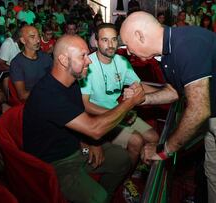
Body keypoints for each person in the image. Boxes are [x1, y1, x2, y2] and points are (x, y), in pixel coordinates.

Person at [120, 11, 216, 203]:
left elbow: (198, 109)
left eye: (127, 44)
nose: (128, 51)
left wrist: (164, 149)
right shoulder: (167, 51)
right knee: (212, 175)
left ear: (139, 35)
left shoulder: (187, 44)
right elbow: (176, 90)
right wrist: (143, 99)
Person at [23, 34, 145, 202]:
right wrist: (129, 102)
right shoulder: (47, 94)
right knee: (98, 198)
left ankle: (106, 193)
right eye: (83, 56)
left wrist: (90, 143)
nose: (89, 61)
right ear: (64, 60)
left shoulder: (71, 83)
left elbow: (81, 119)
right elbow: (94, 129)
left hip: (78, 149)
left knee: (122, 159)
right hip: (55, 164)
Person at [80, 23, 159, 165]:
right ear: (96, 42)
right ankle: (126, 178)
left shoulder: (121, 61)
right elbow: (86, 105)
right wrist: (120, 114)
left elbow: (139, 85)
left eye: (114, 39)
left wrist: (167, 94)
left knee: (153, 137)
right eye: (105, 40)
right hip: (98, 118)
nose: (110, 44)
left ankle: (136, 168)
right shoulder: (88, 65)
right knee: (136, 140)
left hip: (121, 113)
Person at [10, 25, 53, 101]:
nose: (38, 40)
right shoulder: (16, 63)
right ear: (23, 40)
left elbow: (56, 76)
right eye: (32, 37)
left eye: (38, 36)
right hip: (34, 101)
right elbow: (22, 95)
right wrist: (46, 90)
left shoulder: (45, 57)